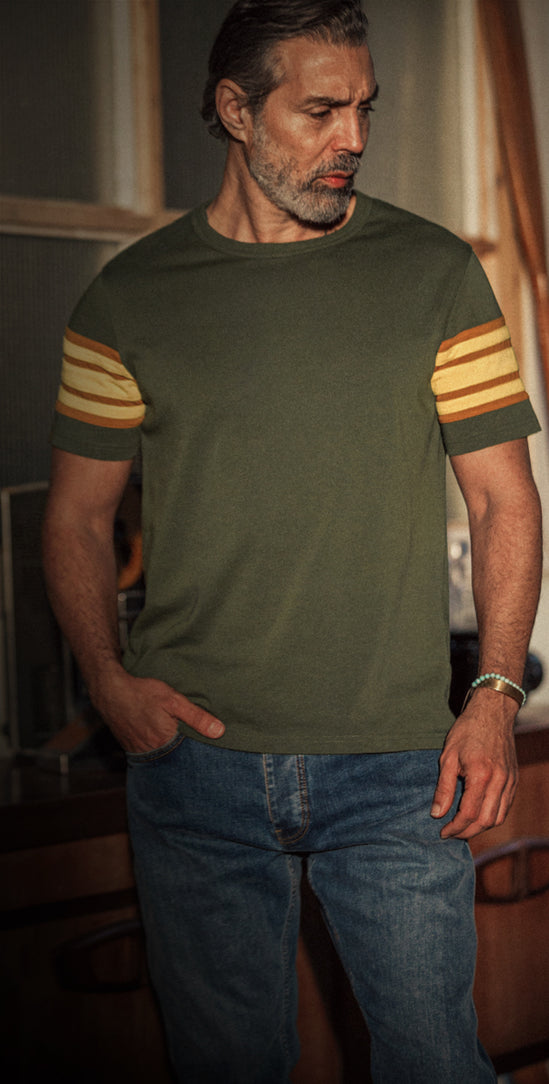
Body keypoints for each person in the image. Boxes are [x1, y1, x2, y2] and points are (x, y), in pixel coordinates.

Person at [42, 1, 543, 1080]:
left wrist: (496, 695)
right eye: (320, 111)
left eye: (365, 108)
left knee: (437, 1067)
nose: (353, 138)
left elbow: (505, 500)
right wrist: (106, 681)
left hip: (398, 769)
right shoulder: (129, 300)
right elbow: (76, 517)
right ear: (235, 109)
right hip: (194, 771)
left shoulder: (434, 274)